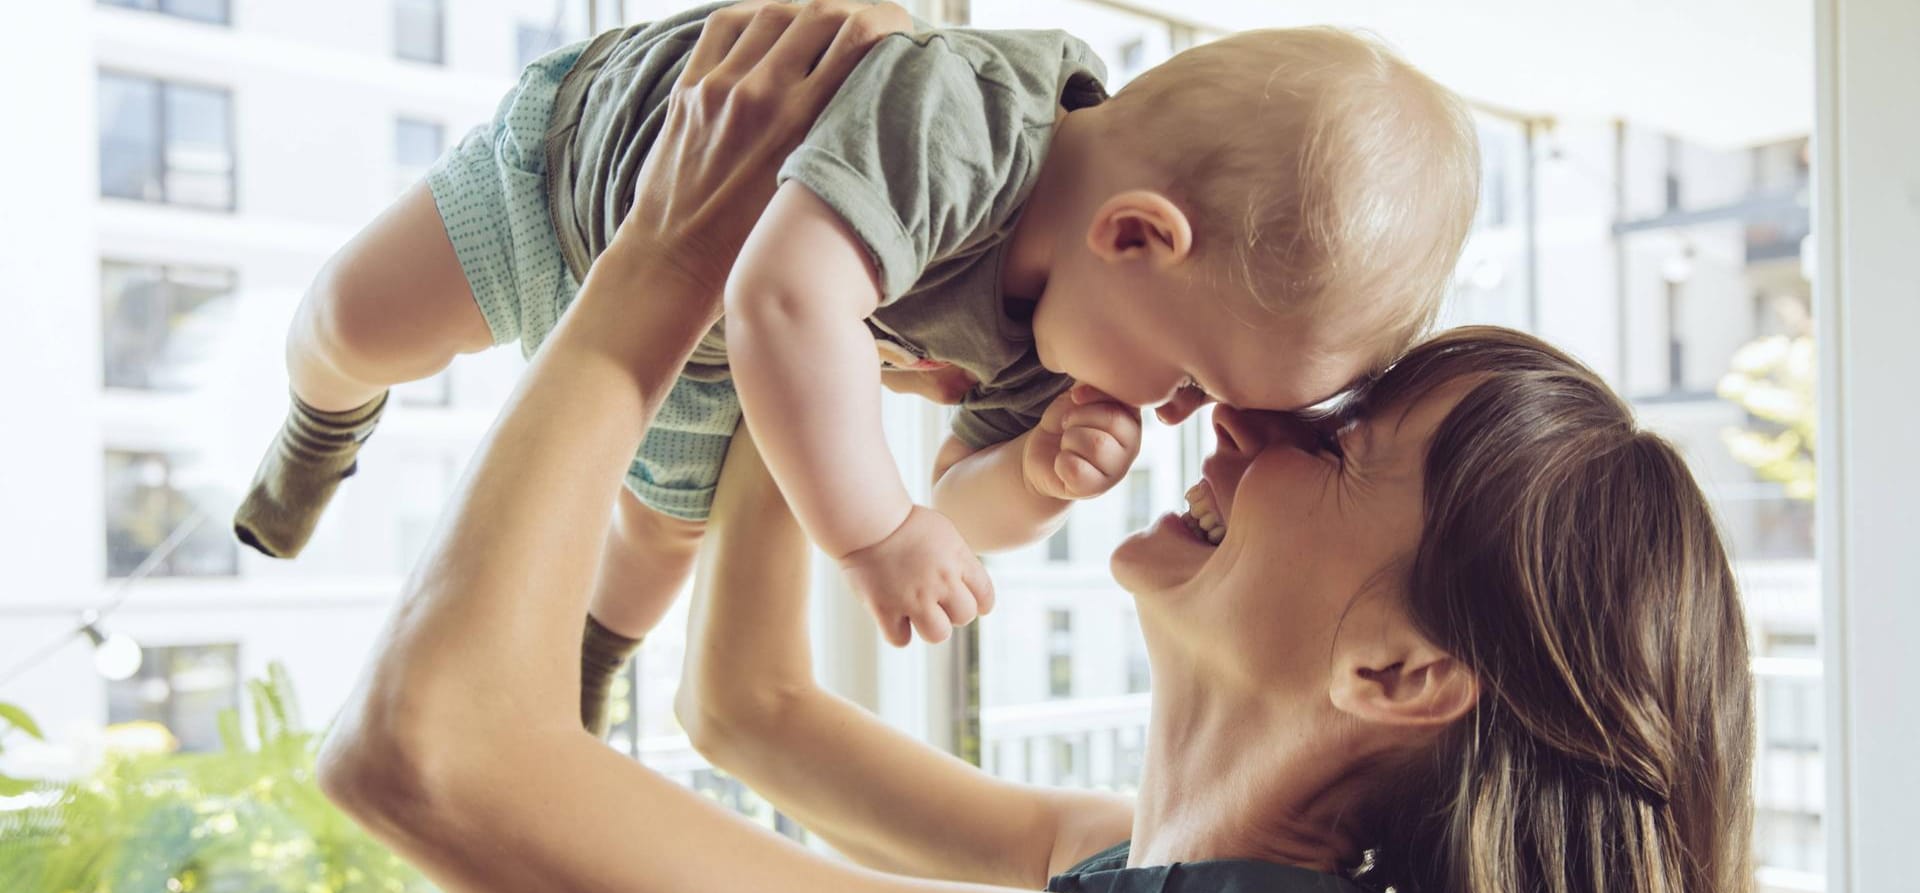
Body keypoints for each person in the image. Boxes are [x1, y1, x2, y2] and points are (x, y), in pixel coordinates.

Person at [317, 5, 1755, 893]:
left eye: (1331, 442)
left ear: (1399, 672)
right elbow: (750, 712)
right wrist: (833, 269)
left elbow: (431, 752)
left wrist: (664, 257)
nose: (1231, 431)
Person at [233, 0, 1482, 733]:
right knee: (352, 318)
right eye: (1191, 379)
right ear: (1138, 235)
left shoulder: (1069, 333)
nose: (1168, 415)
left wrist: (1034, 477)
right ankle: (318, 427)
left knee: (662, 538)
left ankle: (589, 661)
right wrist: (872, 538)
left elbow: (954, 501)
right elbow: (785, 294)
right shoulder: (967, 120)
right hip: (576, 192)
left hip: (705, 357)